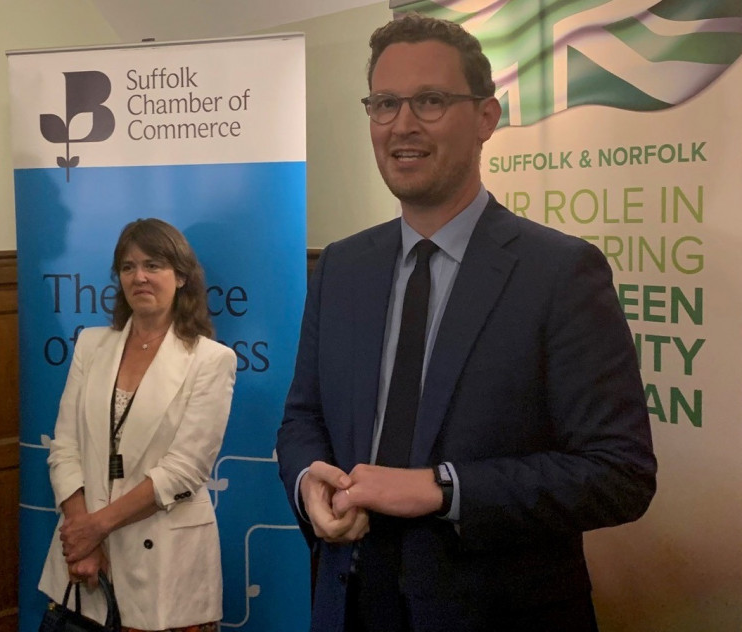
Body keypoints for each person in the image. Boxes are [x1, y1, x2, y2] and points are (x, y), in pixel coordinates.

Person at [276, 13, 656, 632]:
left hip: (494, 611)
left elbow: (619, 474)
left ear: (486, 117)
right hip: (348, 604)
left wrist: (443, 488)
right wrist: (308, 481)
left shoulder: (560, 273)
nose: (402, 124)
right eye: (384, 103)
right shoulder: (341, 266)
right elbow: (303, 417)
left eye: (430, 101)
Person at [38, 218, 237, 632]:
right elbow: (64, 448)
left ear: (181, 276)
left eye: (154, 265)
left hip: (166, 564)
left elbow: (184, 471)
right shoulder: (91, 345)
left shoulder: (211, 360)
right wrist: (82, 540)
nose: (140, 277)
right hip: (85, 563)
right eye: (128, 267)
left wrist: (95, 528)